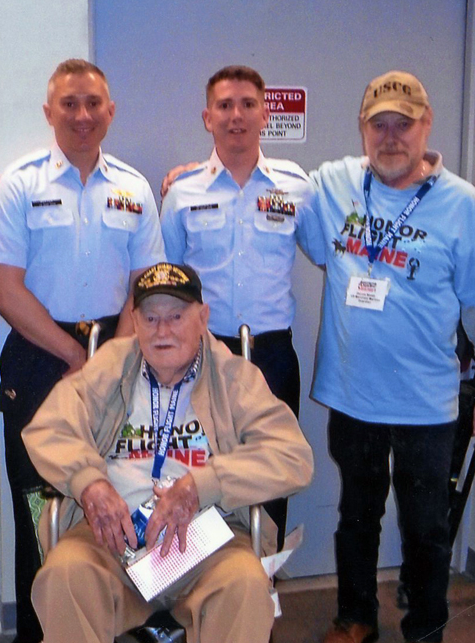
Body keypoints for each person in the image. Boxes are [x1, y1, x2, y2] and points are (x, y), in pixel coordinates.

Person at [304, 71, 475, 643]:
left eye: (405, 123)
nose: (392, 136)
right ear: (363, 128)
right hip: (354, 395)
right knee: (356, 517)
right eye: (381, 124)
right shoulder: (334, 184)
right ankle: (355, 618)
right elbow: (271, 196)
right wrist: (201, 174)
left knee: (427, 529)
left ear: (427, 127)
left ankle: (426, 628)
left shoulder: (461, 205)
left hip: (427, 403)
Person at [22, 262, 314, 643]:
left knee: (246, 586)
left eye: (176, 316)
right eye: (151, 318)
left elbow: (293, 456)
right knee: (63, 575)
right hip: (112, 541)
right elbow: (49, 427)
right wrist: (89, 482)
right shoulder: (112, 365)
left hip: (208, 543)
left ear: (203, 318)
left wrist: (203, 485)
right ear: (135, 321)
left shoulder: (233, 377)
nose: (163, 331)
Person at [0, 59, 165, 642]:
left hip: (118, 347)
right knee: (41, 506)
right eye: (70, 104)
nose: (82, 116)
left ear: (110, 110)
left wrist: (111, 355)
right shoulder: (21, 184)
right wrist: (74, 356)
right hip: (39, 356)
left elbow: (147, 283)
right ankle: (42, 632)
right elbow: (4, 290)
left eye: (93, 104)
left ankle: (113, 622)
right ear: (49, 112)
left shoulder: (133, 187)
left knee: (120, 489)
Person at [160, 65, 322, 549]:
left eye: (248, 104)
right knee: (198, 477)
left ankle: (262, 600)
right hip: (203, 357)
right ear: (207, 117)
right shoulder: (182, 192)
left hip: (271, 355)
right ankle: (209, 599)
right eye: (225, 106)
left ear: (264, 113)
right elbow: (164, 278)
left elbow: (327, 252)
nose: (237, 116)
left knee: (270, 479)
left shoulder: (296, 187)